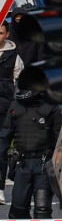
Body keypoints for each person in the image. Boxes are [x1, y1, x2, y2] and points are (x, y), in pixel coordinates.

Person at [0, 90, 61, 219]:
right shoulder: (15, 107)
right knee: (18, 211)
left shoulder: (52, 107)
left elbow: (60, 140)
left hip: (44, 163)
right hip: (22, 163)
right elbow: (5, 135)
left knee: (42, 211)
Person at [0, 21, 24, 205]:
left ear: (7, 34)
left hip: (5, 109)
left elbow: (20, 84)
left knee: (1, 150)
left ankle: (0, 189)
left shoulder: (14, 57)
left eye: (1, 33)